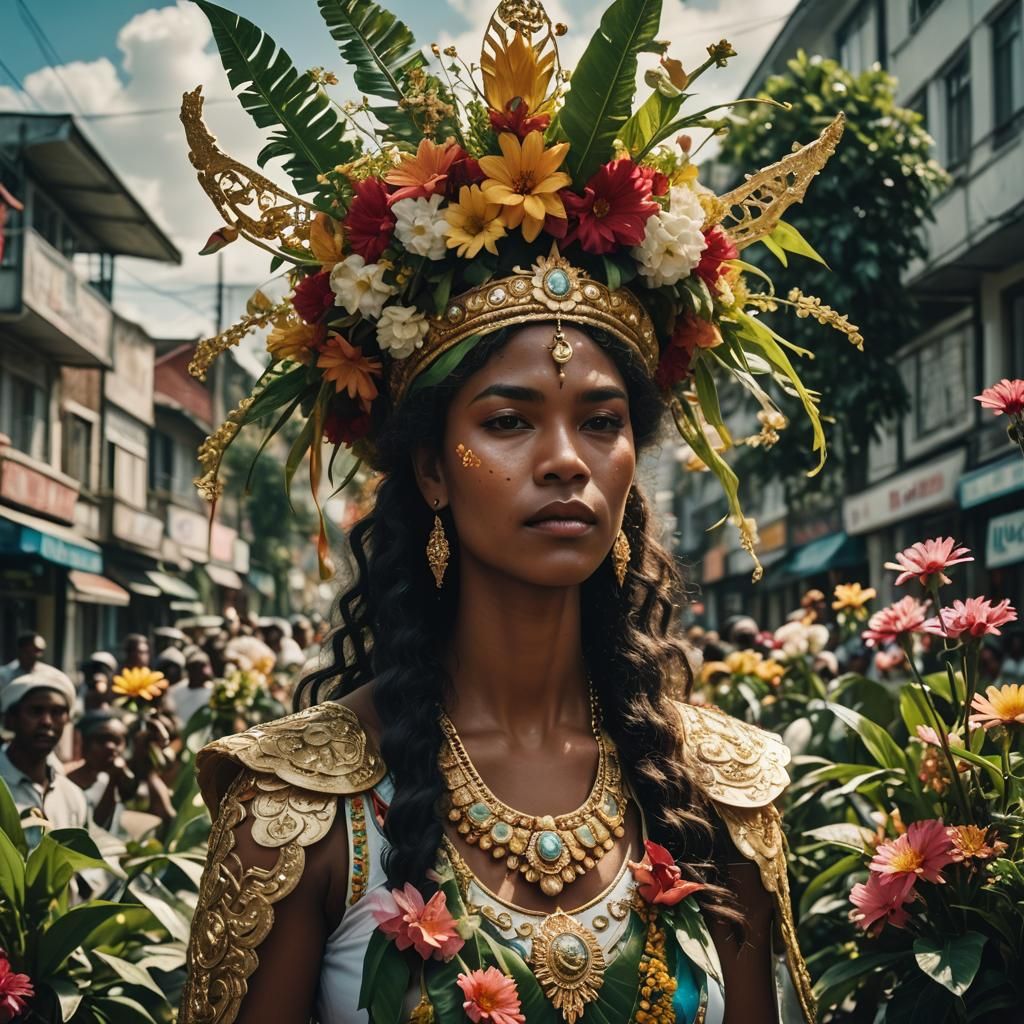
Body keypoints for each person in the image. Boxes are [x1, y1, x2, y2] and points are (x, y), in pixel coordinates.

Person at [177, 5, 848, 1019]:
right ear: (432, 474)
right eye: (507, 420)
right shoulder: (300, 809)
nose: (565, 463)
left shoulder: (721, 789)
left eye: (601, 420)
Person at [0, 670, 88, 830]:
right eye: (36, 711)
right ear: (11, 720)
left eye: (57, 712)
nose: (47, 722)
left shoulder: (72, 796)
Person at [67, 712, 133, 832]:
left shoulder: (119, 778)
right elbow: (96, 830)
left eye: (117, 741)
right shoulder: (68, 783)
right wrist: (112, 782)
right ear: (85, 744)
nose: (110, 747)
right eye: (101, 740)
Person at [167, 650, 213, 729]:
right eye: (198, 667)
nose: (204, 671)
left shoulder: (213, 690)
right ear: (189, 670)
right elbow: (170, 713)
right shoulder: (175, 691)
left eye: (205, 666)